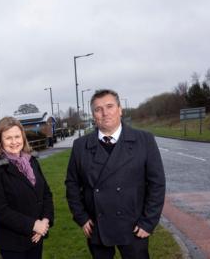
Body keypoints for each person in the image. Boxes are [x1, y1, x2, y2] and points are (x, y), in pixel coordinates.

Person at [65, 89, 165, 259]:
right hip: (98, 226)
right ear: (93, 114)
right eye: (98, 109)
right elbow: (72, 184)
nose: (105, 113)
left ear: (120, 109)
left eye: (110, 106)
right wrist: (81, 217)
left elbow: (157, 184)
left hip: (134, 226)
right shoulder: (80, 146)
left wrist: (149, 222)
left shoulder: (144, 140)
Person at [0, 116, 54, 259]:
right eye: (8, 138)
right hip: (13, 243)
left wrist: (45, 221)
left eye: (17, 136)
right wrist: (34, 225)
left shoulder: (32, 161)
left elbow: (46, 193)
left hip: (36, 236)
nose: (14, 142)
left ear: (23, 137)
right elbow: (0, 211)